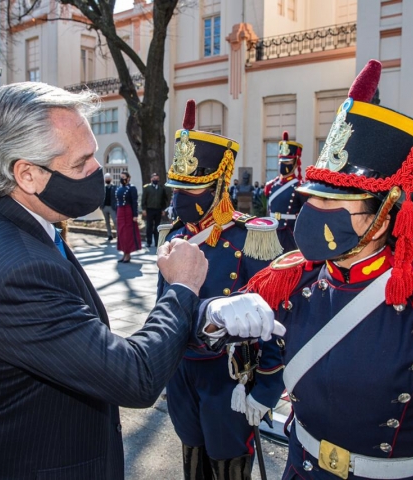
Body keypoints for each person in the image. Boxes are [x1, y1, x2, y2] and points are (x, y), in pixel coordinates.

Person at [0, 82, 279, 479]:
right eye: (81, 163)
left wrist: (209, 320)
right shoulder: (17, 270)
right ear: (26, 174)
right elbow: (135, 376)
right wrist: (184, 288)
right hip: (27, 461)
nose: (97, 170)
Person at [237, 60, 413, 479]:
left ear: (384, 218)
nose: (314, 212)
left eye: (333, 204)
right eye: (314, 198)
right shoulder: (294, 281)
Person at [158, 100, 285, 480]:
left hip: (228, 377)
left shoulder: (251, 238)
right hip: (182, 373)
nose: (180, 198)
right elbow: (162, 307)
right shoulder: (173, 235)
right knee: (192, 458)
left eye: (191, 189)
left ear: (217, 187)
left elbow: (273, 317)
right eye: (176, 188)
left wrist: (267, 387)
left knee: (228, 462)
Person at [264, 131, 304, 252]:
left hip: (289, 233)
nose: (283, 166)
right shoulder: (271, 185)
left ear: (296, 163)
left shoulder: (299, 187)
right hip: (272, 231)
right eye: (281, 162)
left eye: (287, 162)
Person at [115, 170, 141, 262]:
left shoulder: (132, 188)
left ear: (128, 178)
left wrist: (135, 214)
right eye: (121, 177)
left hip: (128, 211)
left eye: (124, 177)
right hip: (120, 211)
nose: (122, 179)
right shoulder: (118, 188)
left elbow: (135, 202)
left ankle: (128, 253)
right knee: (121, 233)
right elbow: (116, 202)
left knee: (127, 233)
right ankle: (123, 253)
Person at [141, 172, 169, 248]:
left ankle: (157, 242)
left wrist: (163, 210)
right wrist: (143, 209)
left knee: (157, 227)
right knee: (149, 226)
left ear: (158, 179)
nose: (155, 179)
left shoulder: (161, 188)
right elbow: (144, 199)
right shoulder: (147, 188)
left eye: (156, 178)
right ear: (151, 179)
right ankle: (149, 242)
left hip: (158, 210)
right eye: (154, 178)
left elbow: (164, 200)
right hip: (149, 210)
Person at [102, 172, 117, 240]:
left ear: (111, 179)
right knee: (107, 222)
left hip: (112, 207)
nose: (107, 179)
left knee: (115, 221)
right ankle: (109, 235)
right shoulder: (103, 188)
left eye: (108, 178)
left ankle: (119, 234)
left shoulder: (114, 187)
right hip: (104, 207)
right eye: (106, 178)